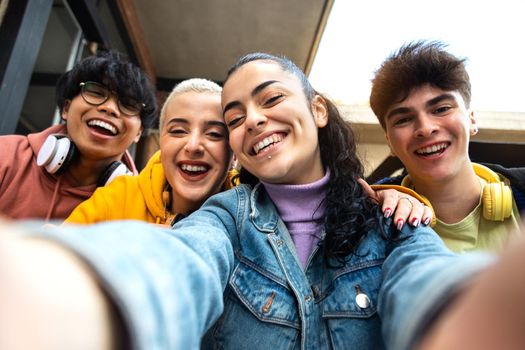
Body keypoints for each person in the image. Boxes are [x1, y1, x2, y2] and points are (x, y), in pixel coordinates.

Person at [0, 52, 496, 350]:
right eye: (235, 117)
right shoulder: (221, 216)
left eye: (271, 99)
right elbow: (178, 262)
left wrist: (479, 311)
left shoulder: (390, 218)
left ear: (317, 110)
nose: (254, 119)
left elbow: (426, 281)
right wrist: (72, 297)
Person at [369, 40, 524, 253]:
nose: (425, 128)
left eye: (441, 109)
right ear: (390, 143)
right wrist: (365, 206)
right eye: (403, 119)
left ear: (471, 120)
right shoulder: (369, 220)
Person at [0, 50, 158, 222]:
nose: (110, 108)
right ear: (66, 109)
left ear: (139, 132)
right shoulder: (6, 155)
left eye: (128, 104)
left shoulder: (138, 210)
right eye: (96, 92)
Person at [65, 78, 237, 226]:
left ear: (234, 150)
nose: (193, 146)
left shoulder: (254, 214)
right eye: (178, 131)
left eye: (214, 134)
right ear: (161, 142)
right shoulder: (120, 197)